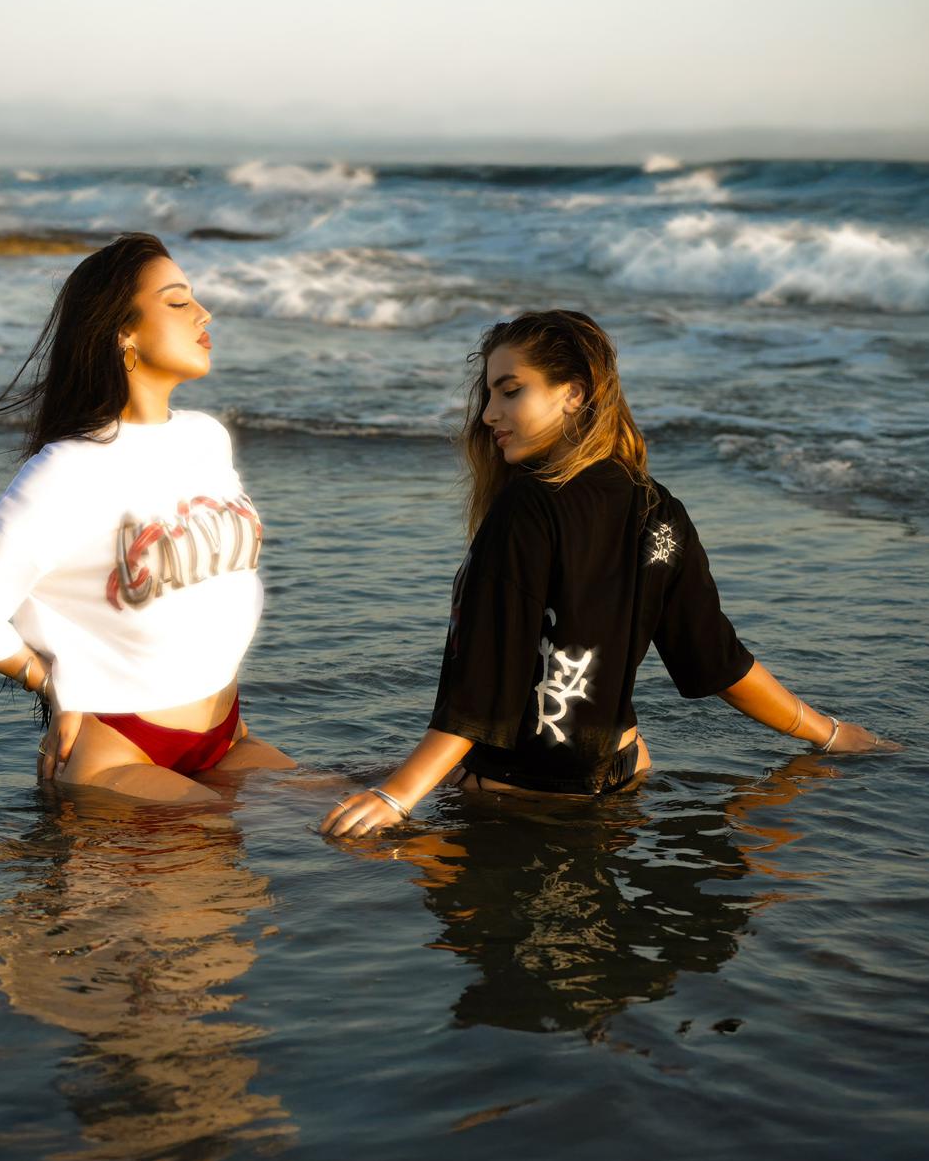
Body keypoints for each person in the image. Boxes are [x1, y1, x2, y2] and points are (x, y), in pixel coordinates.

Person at [321, 310, 897, 837]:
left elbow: (485, 691)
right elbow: (715, 659)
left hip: (519, 796)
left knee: (280, 793)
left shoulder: (526, 508)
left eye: (510, 391)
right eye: (488, 394)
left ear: (574, 393)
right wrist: (827, 733)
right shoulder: (656, 505)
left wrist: (395, 796)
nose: (489, 414)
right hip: (624, 779)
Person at [0, 232, 292, 803]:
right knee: (219, 870)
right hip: (121, 747)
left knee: (378, 835)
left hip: (226, 733)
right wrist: (56, 688)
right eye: (177, 301)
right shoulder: (69, 469)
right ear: (122, 332)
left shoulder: (205, 438)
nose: (203, 312)